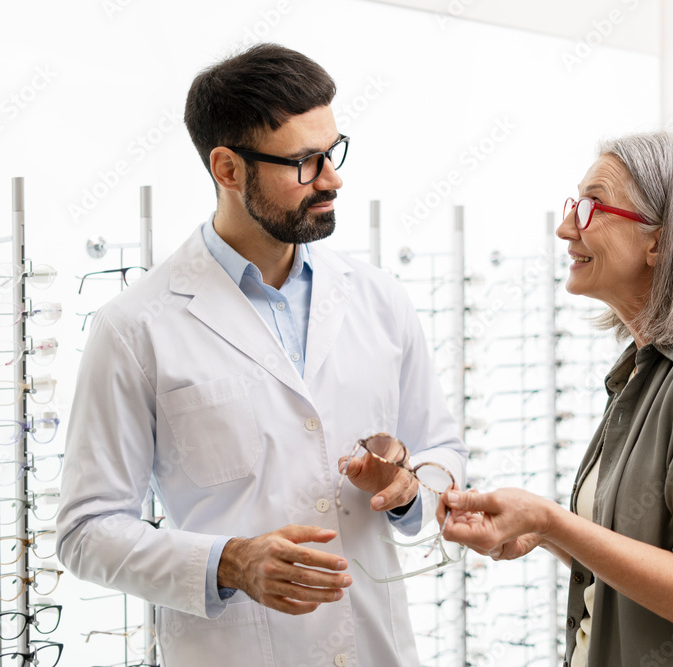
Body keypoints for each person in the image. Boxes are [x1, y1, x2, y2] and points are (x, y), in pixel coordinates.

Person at [56, 43, 466, 667]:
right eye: (304, 162)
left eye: (332, 151)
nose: (332, 178)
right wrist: (229, 562)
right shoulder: (136, 327)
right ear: (227, 168)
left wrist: (408, 488)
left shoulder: (379, 300)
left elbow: (444, 454)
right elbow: (87, 532)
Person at [437, 132, 673, 666]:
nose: (566, 229)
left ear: (662, 240)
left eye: (592, 207)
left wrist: (550, 519)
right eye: (573, 206)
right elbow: (648, 557)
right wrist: (538, 533)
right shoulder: (649, 371)